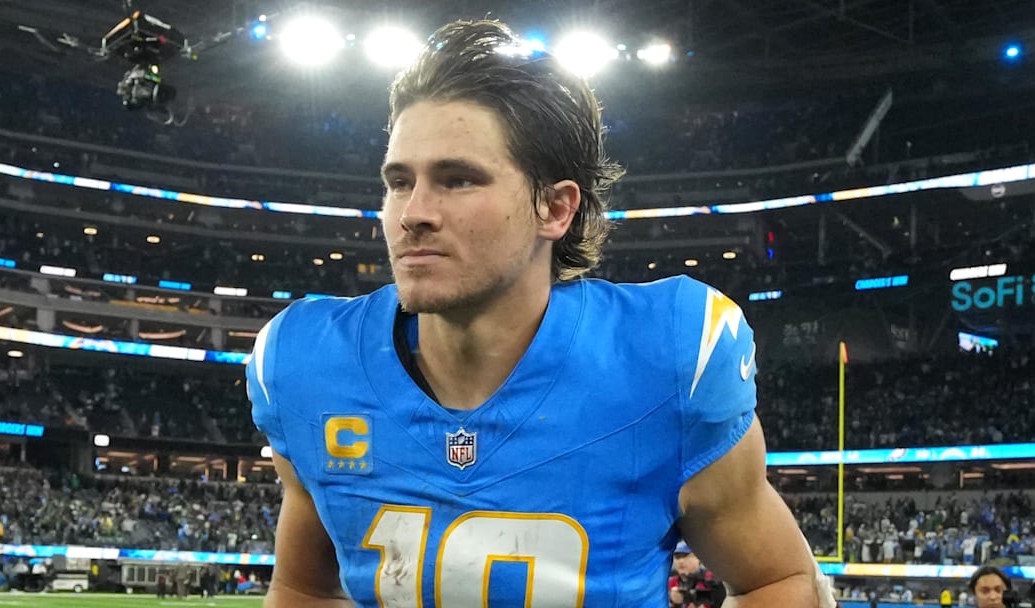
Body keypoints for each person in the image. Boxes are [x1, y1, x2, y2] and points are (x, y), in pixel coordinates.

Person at [248, 18, 827, 608]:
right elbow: (304, 589)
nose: (413, 213)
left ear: (555, 208)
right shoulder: (308, 364)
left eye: (458, 179)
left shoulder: (666, 359)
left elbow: (775, 579)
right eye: (400, 182)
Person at [669, 541, 725, 608]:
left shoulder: (710, 577)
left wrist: (689, 596)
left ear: (698, 558)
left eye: (685, 556)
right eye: (677, 557)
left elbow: (719, 595)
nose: (681, 561)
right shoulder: (670, 582)